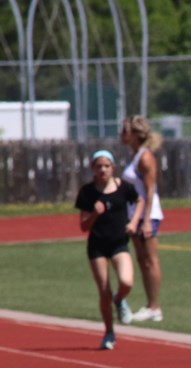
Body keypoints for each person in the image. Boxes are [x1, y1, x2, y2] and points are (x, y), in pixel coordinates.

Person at [75, 150, 145, 350]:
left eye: (106, 165)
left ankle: (120, 300)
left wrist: (134, 222)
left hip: (119, 243)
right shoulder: (88, 192)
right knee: (103, 292)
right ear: (93, 169)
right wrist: (94, 214)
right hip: (97, 246)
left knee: (126, 281)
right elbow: (83, 226)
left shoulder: (124, 188)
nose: (103, 169)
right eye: (99, 166)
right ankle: (109, 332)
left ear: (113, 167)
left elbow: (139, 200)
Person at [120, 114, 165, 322]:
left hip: (147, 214)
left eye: (125, 131)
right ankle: (150, 304)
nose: (121, 134)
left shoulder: (145, 157)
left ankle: (155, 306)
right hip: (134, 215)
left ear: (135, 135)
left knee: (150, 260)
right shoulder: (136, 155)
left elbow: (149, 189)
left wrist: (146, 220)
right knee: (142, 260)